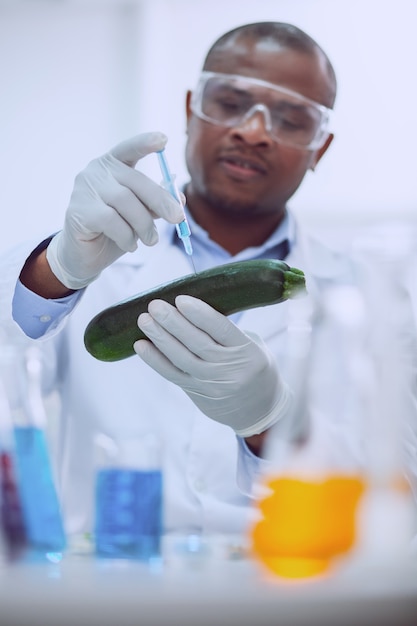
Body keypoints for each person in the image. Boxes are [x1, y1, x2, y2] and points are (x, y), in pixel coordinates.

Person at [4, 22, 364, 540]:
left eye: (290, 118)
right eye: (231, 101)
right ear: (192, 109)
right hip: (105, 597)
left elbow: (394, 483)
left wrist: (273, 420)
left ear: (319, 149)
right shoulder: (88, 259)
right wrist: (56, 271)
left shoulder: (369, 299)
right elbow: (10, 369)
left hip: (283, 596)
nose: (254, 131)